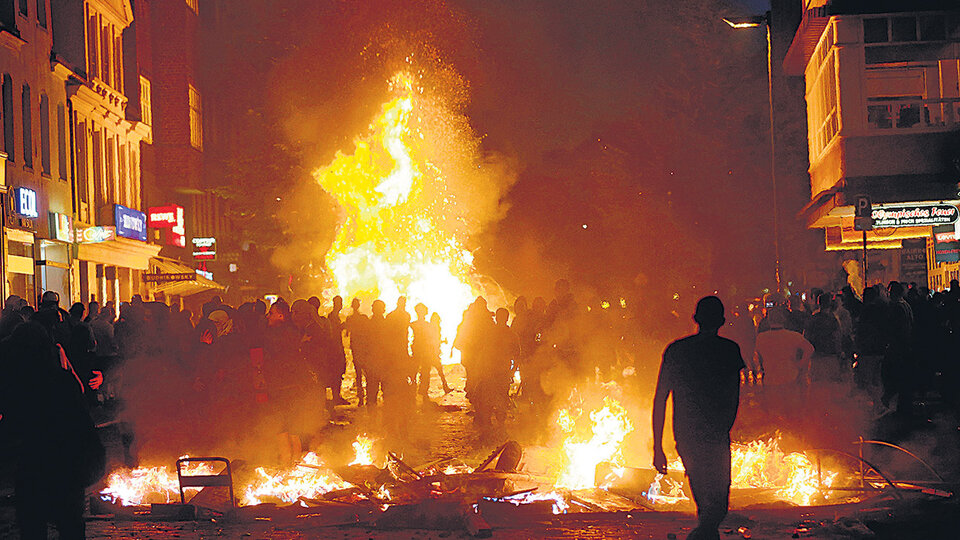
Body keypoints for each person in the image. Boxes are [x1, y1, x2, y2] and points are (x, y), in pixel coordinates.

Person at [653, 296, 744, 540]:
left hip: (687, 435)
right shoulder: (729, 350)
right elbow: (734, 395)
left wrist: (658, 446)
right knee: (716, 504)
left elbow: (660, 399)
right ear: (723, 321)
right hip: (715, 434)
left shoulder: (677, 350)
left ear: (695, 319)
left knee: (707, 502)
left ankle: (701, 535)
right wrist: (726, 426)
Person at [411, 304, 451, 398]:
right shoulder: (426, 326)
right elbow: (431, 339)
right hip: (425, 351)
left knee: (417, 371)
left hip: (419, 350)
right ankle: (422, 390)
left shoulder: (413, 324)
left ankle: (417, 390)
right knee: (424, 371)